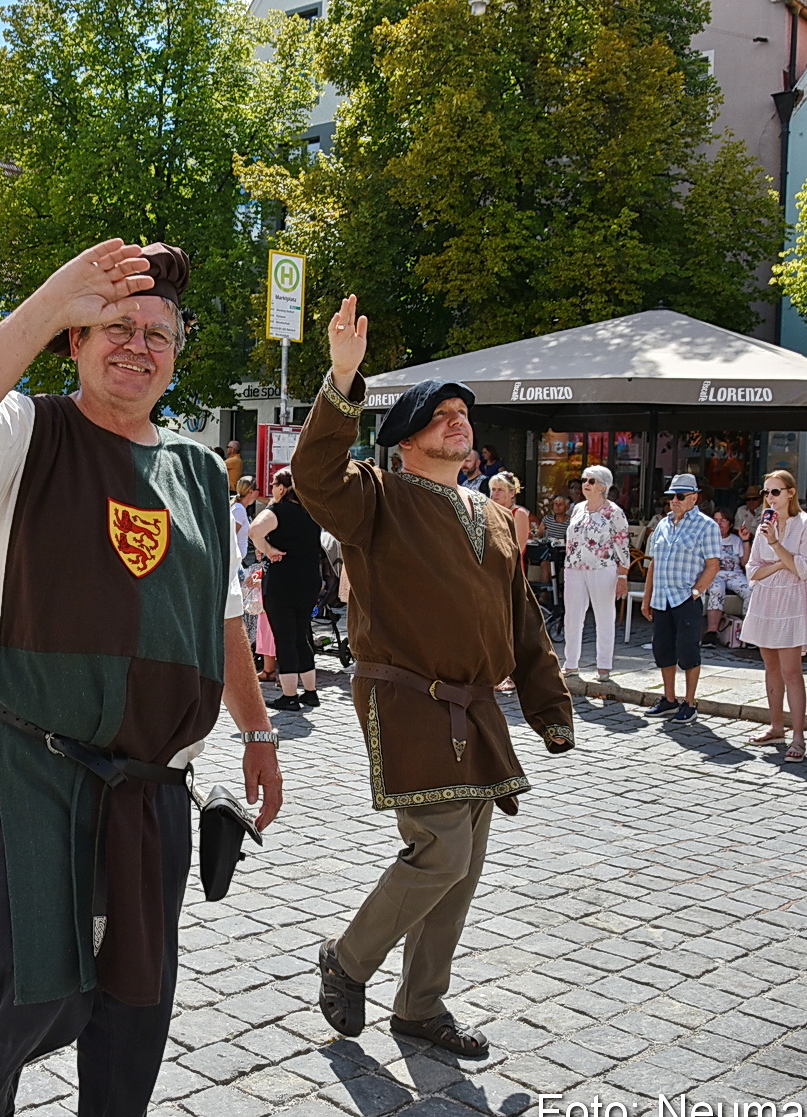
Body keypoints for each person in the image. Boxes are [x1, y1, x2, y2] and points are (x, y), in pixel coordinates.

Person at [0, 238, 280, 1117]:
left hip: (154, 788)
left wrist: (258, 730)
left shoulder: (196, 472)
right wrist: (52, 296)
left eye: (157, 332)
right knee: (33, 988)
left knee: (133, 1010)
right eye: (114, 325)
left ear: (177, 353)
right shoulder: (28, 432)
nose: (137, 345)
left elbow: (220, 615)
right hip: (29, 768)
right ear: (74, 340)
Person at [294, 295, 572, 1060]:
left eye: (463, 414)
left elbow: (521, 619)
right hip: (407, 698)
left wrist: (549, 705)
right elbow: (313, 472)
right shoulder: (376, 499)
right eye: (442, 414)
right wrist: (342, 379)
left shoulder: (490, 514)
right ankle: (346, 960)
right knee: (440, 851)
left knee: (464, 868)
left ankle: (421, 1006)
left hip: (477, 708)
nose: (460, 421)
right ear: (407, 438)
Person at [740, 471, 807, 762]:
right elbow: (753, 570)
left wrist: (776, 547)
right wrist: (777, 564)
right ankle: (776, 726)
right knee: (770, 667)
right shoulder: (764, 525)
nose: (770, 498)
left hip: (791, 601)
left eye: (776, 492)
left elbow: (804, 568)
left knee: (791, 671)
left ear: (790, 493)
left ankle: (799, 737)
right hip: (766, 600)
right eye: (766, 493)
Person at [640, 474, 721, 724]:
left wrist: (696, 592)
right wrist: (647, 597)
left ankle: (690, 702)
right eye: (671, 496)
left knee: (688, 651)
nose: (674, 501)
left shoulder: (707, 526)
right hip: (662, 597)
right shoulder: (663, 524)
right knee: (662, 650)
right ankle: (669, 699)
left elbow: (713, 565)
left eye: (680, 496)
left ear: (694, 498)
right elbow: (653, 563)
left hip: (685, 598)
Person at [249, 466, 323, 711]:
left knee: (285, 638)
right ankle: (310, 692)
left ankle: (289, 695)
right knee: (302, 634)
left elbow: (254, 530)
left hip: (283, 580)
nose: (270, 490)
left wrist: (269, 550)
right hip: (309, 579)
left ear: (282, 488)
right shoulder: (311, 511)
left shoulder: (277, 511)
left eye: (272, 485)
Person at [561, 464, 629, 681]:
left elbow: (622, 545)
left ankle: (604, 666)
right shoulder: (578, 508)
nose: (585, 485)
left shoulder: (614, 512)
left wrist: (623, 575)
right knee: (572, 616)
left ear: (603, 486)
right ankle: (571, 663)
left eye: (591, 481)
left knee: (604, 616)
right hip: (574, 568)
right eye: (584, 480)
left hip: (602, 568)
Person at [704, 509, 752, 644]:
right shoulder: (706, 539)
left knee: (750, 590)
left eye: (723, 520)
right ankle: (711, 633)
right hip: (713, 574)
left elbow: (745, 563)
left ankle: (747, 632)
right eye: (716, 520)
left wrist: (745, 541)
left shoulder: (736, 540)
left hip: (734, 574)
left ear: (730, 524)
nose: (718, 524)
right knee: (717, 588)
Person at [485, 472, 531, 565]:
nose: (495, 493)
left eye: (500, 490)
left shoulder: (519, 513)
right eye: (493, 489)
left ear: (512, 493)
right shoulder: (488, 512)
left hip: (510, 566)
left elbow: (518, 548)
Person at [231, 475, 258, 567]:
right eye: (257, 490)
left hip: (238, 560)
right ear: (251, 492)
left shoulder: (240, 508)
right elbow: (232, 536)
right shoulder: (239, 510)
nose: (258, 493)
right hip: (235, 561)